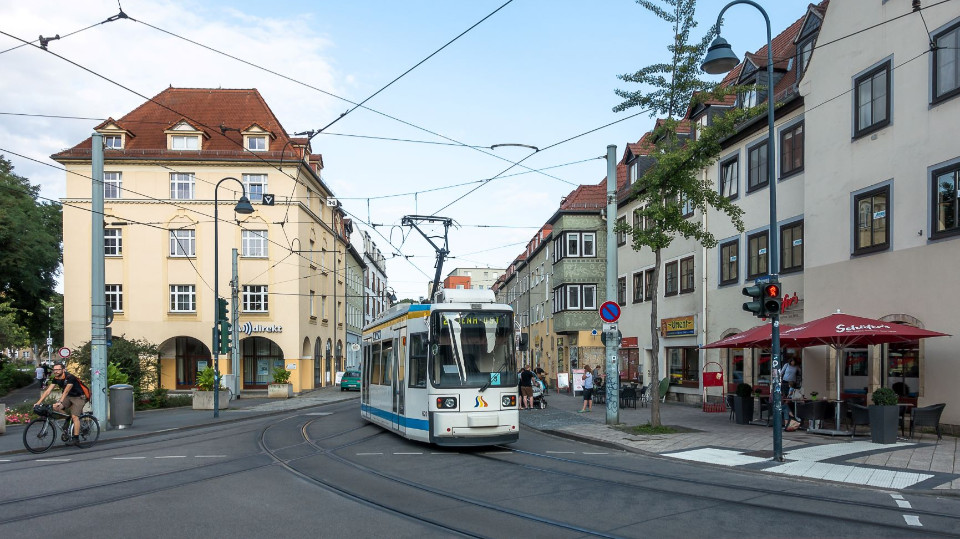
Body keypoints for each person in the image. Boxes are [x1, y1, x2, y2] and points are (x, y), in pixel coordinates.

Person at [35, 363, 86, 443]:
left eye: (58, 369)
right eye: (54, 369)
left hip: (78, 397)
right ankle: (68, 418)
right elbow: (48, 391)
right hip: (68, 397)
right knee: (56, 408)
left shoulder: (70, 377)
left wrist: (60, 402)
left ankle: (76, 438)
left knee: (75, 416)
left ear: (63, 370)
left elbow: (66, 391)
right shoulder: (56, 378)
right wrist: (38, 402)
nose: (56, 371)